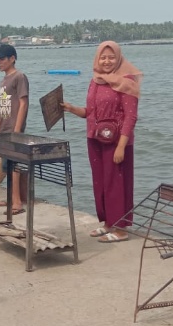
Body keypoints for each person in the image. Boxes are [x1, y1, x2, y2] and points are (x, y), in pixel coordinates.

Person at [61, 41, 142, 243]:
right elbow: (90, 113)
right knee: (101, 183)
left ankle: (121, 228)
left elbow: (130, 117)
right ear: (97, 59)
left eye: (111, 57)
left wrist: (122, 146)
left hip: (116, 141)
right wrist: (71, 108)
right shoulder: (96, 81)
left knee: (116, 183)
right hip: (95, 139)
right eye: (103, 57)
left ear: (118, 58)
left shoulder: (127, 81)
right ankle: (108, 223)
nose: (107, 61)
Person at [0, 44, 30, 215]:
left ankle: (17, 202)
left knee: (14, 165)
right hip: (5, 128)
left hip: (14, 129)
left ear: (12, 58)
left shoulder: (19, 77)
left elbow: (23, 103)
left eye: (2, 59)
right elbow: (2, 105)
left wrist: (17, 128)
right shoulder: (3, 80)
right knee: (7, 165)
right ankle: (12, 197)